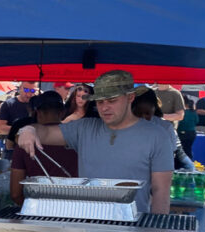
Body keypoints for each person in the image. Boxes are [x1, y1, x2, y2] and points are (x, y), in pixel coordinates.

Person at [16, 70, 171, 214]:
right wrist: (29, 129)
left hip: (132, 226)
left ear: (130, 97)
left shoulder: (157, 136)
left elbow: (160, 191)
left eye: (112, 100)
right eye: (100, 102)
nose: (104, 108)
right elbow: (47, 132)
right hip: (86, 223)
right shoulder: (85, 128)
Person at [9, 91, 78, 206]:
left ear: (38, 113)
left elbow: (15, 193)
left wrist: (33, 208)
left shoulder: (25, 140)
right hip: (75, 206)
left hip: (38, 209)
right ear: (62, 112)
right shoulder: (77, 137)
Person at [132, 87, 193, 171]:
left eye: (147, 113)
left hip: (171, 156)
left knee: (190, 170)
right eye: (138, 113)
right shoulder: (126, 125)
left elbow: (169, 156)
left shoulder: (164, 126)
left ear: (154, 108)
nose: (143, 118)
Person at [0, 81, 38, 153]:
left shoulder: (38, 104)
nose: (29, 94)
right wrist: (23, 130)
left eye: (32, 90)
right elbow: (0, 129)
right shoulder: (8, 104)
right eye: (26, 90)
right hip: (13, 151)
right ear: (20, 88)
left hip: (35, 150)